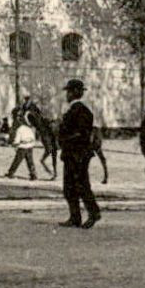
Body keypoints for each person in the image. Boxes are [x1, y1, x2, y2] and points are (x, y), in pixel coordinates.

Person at [57, 78, 101, 228]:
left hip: (78, 154)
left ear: (76, 92)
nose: (67, 94)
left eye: (69, 91)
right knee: (69, 187)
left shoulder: (80, 111)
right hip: (73, 153)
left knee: (81, 185)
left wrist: (65, 139)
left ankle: (93, 213)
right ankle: (75, 216)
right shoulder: (74, 110)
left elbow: (81, 133)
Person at [5, 115, 38, 180]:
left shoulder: (19, 129)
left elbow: (17, 140)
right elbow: (33, 138)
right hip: (29, 147)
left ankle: (11, 173)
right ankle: (33, 174)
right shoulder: (29, 129)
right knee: (30, 161)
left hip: (22, 147)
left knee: (17, 161)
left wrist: (14, 144)